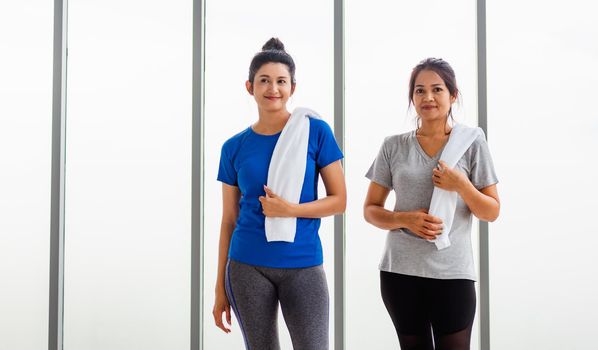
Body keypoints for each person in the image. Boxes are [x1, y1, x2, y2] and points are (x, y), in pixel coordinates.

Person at [212, 37, 346, 350]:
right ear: (250, 87)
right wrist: (220, 287)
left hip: (303, 263)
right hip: (247, 265)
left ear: (292, 88)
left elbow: (339, 201)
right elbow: (228, 220)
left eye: (281, 81)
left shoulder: (316, 132)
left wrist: (290, 210)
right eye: (264, 81)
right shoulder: (233, 148)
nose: (273, 88)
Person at [363, 58, 500, 350]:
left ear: (453, 95)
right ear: (412, 98)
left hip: (452, 273)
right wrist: (406, 219)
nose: (428, 97)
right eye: (419, 90)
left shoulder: (472, 143)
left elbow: (491, 211)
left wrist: (461, 184)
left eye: (437, 89)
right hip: (399, 272)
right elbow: (371, 209)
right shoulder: (393, 146)